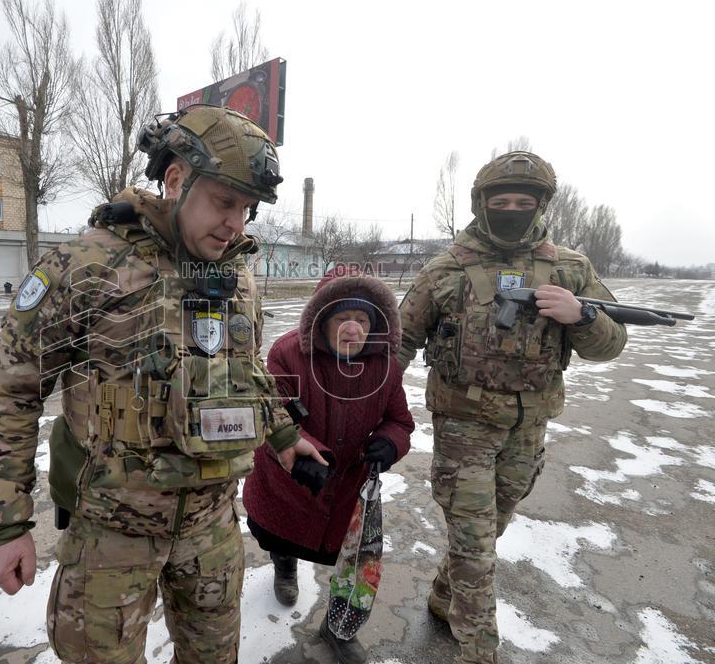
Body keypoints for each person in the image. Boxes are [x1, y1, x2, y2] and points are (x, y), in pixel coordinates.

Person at [0, 105, 326, 664]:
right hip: (111, 534)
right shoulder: (87, 265)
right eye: (224, 201)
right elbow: (11, 391)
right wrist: (3, 526)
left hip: (211, 527)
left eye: (247, 209)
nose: (236, 223)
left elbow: (246, 369)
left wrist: (283, 436)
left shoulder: (237, 275)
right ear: (177, 179)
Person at [397, 151, 627, 664]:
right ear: (481, 204)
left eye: (524, 202)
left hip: (527, 431)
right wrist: (372, 406)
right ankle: (479, 652)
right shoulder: (446, 268)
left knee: (487, 530)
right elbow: (401, 338)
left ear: (542, 205)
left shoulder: (570, 268)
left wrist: (582, 315)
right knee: (475, 548)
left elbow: (610, 345)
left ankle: (443, 595)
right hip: (464, 430)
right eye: (501, 202)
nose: (512, 211)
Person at [243, 264, 415, 664]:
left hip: (346, 488)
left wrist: (390, 443)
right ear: (321, 320)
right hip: (289, 479)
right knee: (278, 536)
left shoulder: (386, 364)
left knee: (354, 563)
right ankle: (284, 567)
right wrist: (298, 447)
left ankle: (338, 629)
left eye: (362, 320)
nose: (353, 329)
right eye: (342, 318)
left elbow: (400, 420)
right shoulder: (288, 352)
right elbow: (270, 409)